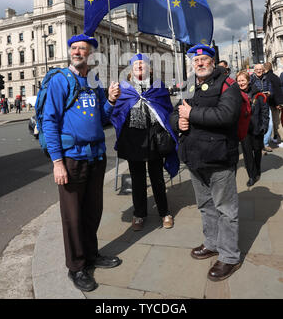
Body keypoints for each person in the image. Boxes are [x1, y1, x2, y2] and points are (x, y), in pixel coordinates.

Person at [42, 34, 121, 292]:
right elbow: (49, 122)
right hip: (72, 159)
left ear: (91, 55)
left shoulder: (92, 83)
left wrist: (109, 100)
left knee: (92, 213)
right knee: (73, 217)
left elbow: (102, 118)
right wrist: (57, 162)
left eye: (82, 49)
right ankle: (76, 267)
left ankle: (91, 255)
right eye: (74, 48)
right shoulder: (59, 80)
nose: (77, 52)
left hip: (96, 157)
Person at [170, 44, 242, 282]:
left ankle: (230, 256)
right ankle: (212, 243)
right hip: (194, 157)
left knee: (226, 209)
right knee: (205, 206)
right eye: (196, 60)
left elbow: (226, 115)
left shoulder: (228, 84)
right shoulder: (188, 85)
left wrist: (191, 115)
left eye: (204, 59)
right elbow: (175, 111)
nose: (199, 63)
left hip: (219, 157)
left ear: (213, 61)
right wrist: (176, 122)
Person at [111, 53, 179, 231]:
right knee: (137, 179)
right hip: (133, 138)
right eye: (136, 65)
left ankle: (164, 212)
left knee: (157, 178)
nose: (139, 67)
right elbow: (117, 113)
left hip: (154, 137)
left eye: (143, 64)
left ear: (149, 68)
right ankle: (139, 214)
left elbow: (166, 110)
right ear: (131, 69)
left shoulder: (158, 86)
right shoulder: (124, 88)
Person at [236, 71, 269, 186]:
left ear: (248, 81)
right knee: (247, 153)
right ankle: (251, 175)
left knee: (257, 151)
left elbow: (265, 110)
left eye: (243, 80)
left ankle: (257, 169)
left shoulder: (257, 93)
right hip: (244, 130)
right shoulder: (235, 95)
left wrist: (264, 125)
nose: (241, 83)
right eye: (239, 81)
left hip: (257, 128)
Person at [251, 64, 273, 152]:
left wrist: (269, 93)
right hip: (255, 104)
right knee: (256, 123)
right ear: (254, 71)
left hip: (265, 103)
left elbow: (272, 90)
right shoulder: (251, 79)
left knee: (269, 124)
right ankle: (257, 143)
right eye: (257, 69)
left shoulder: (267, 78)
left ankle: (265, 143)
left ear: (263, 70)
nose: (259, 71)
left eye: (260, 69)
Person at [263, 62, 283, 143]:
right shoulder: (276, 77)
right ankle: (277, 137)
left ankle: (278, 138)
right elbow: (279, 91)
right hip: (277, 102)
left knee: (275, 122)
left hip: (272, 103)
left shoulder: (267, 78)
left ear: (265, 69)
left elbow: (275, 92)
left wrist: (277, 103)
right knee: (277, 121)